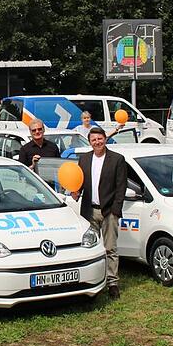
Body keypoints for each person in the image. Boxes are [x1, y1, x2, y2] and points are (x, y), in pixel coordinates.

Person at [71, 127, 126, 300]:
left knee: (110, 248)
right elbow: (79, 182)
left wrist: (115, 211)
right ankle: (92, 282)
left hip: (109, 210)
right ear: (90, 142)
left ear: (105, 139)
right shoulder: (85, 159)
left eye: (100, 138)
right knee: (91, 249)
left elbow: (121, 187)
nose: (97, 142)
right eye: (94, 140)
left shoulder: (117, 159)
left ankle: (112, 284)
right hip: (89, 210)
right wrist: (75, 192)